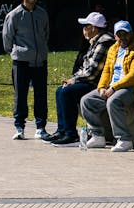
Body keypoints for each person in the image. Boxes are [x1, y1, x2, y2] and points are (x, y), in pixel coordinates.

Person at [80, 20, 134, 153]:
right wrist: (102, 87)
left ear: (131, 34)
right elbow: (107, 70)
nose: (123, 37)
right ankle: (97, 136)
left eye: (126, 34)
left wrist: (113, 88)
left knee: (114, 101)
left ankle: (124, 139)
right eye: (119, 34)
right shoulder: (113, 49)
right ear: (115, 36)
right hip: (113, 87)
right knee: (86, 101)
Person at [48, 11, 115, 145]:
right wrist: (71, 79)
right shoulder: (95, 42)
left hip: (98, 84)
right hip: (89, 81)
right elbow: (85, 68)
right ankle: (62, 131)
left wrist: (73, 81)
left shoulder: (104, 42)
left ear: (94, 28)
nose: (83, 30)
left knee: (67, 92)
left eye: (86, 26)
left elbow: (92, 73)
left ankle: (71, 134)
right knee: (60, 90)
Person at [2, 0, 51, 141]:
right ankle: (19, 127)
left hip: (40, 61)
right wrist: (17, 52)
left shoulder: (42, 13)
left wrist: (41, 51)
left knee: (41, 95)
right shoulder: (14, 15)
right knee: (20, 95)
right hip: (21, 62)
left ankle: (41, 127)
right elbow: (7, 37)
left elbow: (46, 33)